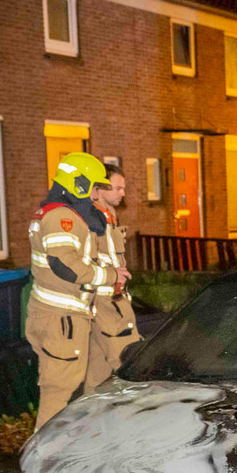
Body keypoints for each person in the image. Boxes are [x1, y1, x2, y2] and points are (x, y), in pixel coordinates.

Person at [25, 151, 123, 428]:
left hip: (67, 317)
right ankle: (44, 459)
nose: (94, 195)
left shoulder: (61, 213)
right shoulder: (60, 217)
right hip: (60, 319)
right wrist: (111, 275)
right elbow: (65, 266)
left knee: (90, 380)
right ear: (77, 184)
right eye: (93, 187)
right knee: (57, 395)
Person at [85, 163, 142, 390]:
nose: (123, 193)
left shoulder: (108, 217)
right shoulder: (92, 219)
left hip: (105, 301)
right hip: (108, 303)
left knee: (97, 373)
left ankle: (89, 419)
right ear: (99, 189)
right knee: (130, 363)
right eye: (117, 188)